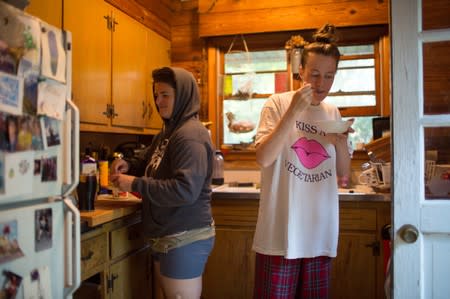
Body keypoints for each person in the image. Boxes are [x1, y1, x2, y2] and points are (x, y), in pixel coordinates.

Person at [252, 24, 353, 299]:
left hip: (319, 234)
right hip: (279, 234)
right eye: (315, 75)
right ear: (301, 72)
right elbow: (263, 158)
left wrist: (342, 144)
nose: (321, 84)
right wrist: (294, 110)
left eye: (329, 76)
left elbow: (343, 177)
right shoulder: (277, 103)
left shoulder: (333, 111)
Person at [110, 67, 215, 299]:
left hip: (183, 236)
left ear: (183, 95)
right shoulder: (168, 132)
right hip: (166, 237)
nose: (158, 101)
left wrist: (135, 184)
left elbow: (184, 190)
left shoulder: (190, 134)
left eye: (165, 95)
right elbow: (151, 157)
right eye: (156, 95)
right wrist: (129, 164)